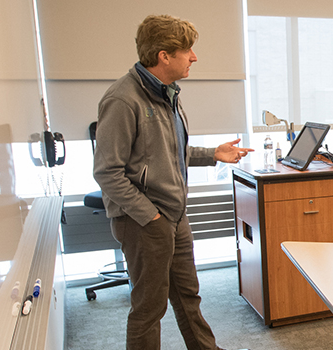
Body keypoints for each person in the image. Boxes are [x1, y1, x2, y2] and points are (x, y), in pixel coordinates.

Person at [93, 15, 253, 350]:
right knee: (149, 309)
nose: (194, 57)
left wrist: (214, 153)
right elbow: (108, 172)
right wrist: (150, 216)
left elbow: (169, 152)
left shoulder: (167, 94)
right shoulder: (124, 100)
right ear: (164, 55)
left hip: (174, 216)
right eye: (187, 50)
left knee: (187, 296)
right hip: (143, 221)